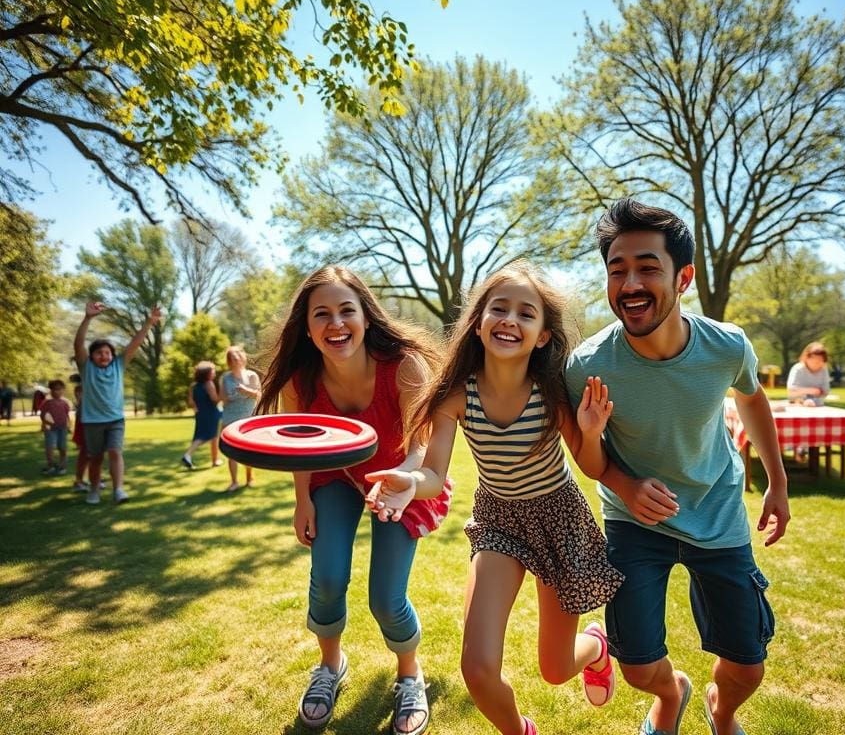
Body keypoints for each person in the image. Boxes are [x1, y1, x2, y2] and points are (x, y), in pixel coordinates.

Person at [366, 262, 625, 735]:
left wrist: (590, 434)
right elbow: (433, 473)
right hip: (498, 522)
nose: (510, 319)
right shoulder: (455, 395)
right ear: (479, 323)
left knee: (555, 669)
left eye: (526, 313)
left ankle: (596, 647)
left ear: (543, 336)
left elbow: (592, 467)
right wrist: (409, 484)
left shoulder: (552, 392)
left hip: (557, 518)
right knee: (479, 671)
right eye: (498, 308)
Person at [563, 199, 790, 735]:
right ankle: (672, 694)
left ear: (683, 277)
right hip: (632, 522)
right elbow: (586, 453)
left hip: (717, 514)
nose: (630, 283)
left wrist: (777, 482)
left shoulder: (726, 346)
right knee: (638, 665)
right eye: (617, 270)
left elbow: (753, 399)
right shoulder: (587, 365)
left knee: (747, 666)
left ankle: (721, 710)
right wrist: (625, 482)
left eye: (647, 267)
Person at [255, 265, 452, 735]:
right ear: (307, 327)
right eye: (321, 314)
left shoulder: (404, 365)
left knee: (387, 598)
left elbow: (421, 445)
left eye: (347, 310)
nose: (336, 323)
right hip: (334, 479)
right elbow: (298, 444)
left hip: (398, 479)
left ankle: (409, 675)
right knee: (327, 577)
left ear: (366, 316)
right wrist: (302, 500)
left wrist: (404, 477)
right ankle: (330, 666)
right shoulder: (299, 379)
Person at [74, 301, 162, 505]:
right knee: (95, 458)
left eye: (107, 352)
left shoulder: (119, 365)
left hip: (115, 420)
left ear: (112, 355)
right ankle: (94, 490)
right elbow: (78, 345)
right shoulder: (87, 368)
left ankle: (118, 490)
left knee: (115, 452)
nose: (103, 355)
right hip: (92, 421)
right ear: (92, 356)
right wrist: (87, 318)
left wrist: (149, 323)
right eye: (99, 353)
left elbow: (135, 343)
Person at [218, 346, 261, 490]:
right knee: (231, 451)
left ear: (242, 359)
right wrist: (228, 397)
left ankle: (249, 478)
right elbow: (222, 398)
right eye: (231, 359)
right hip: (230, 416)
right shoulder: (226, 377)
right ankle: (234, 481)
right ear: (229, 361)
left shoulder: (251, 375)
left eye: (237, 358)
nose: (235, 361)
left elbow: (259, 395)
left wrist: (245, 390)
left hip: (247, 417)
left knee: (248, 451)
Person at [181, 361, 222, 470]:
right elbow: (215, 399)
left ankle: (215, 460)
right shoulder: (209, 383)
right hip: (211, 413)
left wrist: (197, 407)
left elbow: (190, 402)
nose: (214, 373)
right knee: (207, 436)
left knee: (211, 436)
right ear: (207, 373)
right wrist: (223, 396)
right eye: (212, 371)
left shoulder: (193, 386)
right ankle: (188, 454)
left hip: (200, 414)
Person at [39, 379, 71, 476]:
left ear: (63, 390)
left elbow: (67, 415)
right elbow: (42, 415)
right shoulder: (47, 403)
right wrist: (46, 424)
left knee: (62, 447)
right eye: (55, 389)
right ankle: (51, 466)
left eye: (60, 389)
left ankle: (62, 466)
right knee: (50, 447)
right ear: (51, 391)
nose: (58, 391)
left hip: (62, 428)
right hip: (50, 429)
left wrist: (69, 426)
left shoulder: (65, 403)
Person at [72, 382, 91, 492]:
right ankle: (79, 481)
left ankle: (90, 479)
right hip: (84, 434)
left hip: (90, 432)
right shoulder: (82, 406)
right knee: (85, 456)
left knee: (92, 457)